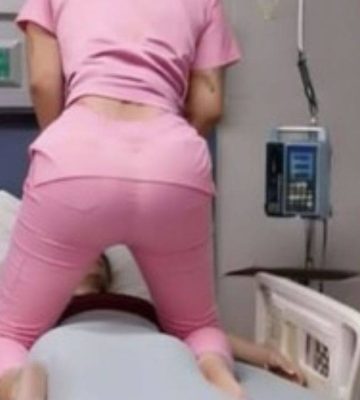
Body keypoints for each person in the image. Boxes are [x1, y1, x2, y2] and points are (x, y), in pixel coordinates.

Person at [0, 0, 243, 398]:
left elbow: (44, 83)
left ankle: (15, 382)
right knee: (197, 327)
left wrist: (72, 149)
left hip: (77, 153)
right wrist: (164, 152)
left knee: (10, 333)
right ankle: (217, 374)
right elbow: (209, 105)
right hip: (173, 160)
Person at [69, 255, 306, 386]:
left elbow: (197, 334)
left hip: (147, 355)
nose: (95, 256)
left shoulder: (134, 305)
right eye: (87, 254)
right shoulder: (53, 311)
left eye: (100, 257)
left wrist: (267, 356)